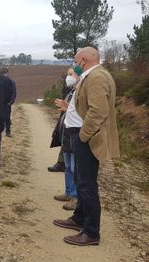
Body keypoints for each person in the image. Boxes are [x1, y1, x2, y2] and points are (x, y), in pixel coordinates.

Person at [53, 47, 120, 246]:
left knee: (87, 184)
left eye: (75, 60)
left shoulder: (97, 77)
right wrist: (70, 109)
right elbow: (86, 104)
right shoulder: (91, 75)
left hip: (87, 138)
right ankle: (79, 218)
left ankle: (91, 232)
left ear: (83, 59)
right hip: (80, 135)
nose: (74, 64)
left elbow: (98, 111)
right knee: (81, 180)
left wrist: (83, 136)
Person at [52, 67, 80, 211]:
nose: (68, 77)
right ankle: (68, 192)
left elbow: (81, 112)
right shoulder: (70, 92)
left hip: (76, 133)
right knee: (68, 166)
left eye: (70, 75)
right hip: (67, 133)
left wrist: (67, 108)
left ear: (78, 76)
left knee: (76, 168)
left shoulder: (81, 92)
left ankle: (76, 197)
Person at [0, 67, 17, 137]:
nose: (4, 75)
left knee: (7, 118)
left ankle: (8, 131)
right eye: (2, 73)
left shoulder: (11, 82)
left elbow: (14, 93)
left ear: (7, 73)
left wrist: (10, 102)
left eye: (5, 73)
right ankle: (0, 130)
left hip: (7, 104)